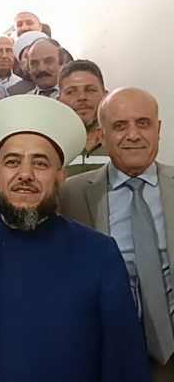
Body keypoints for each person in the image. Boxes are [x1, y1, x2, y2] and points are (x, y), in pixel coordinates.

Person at [0, 95, 150, 381]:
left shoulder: (98, 254)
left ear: (61, 177)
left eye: (40, 164)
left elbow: (123, 364)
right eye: (12, 162)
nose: (25, 174)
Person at [59, 87, 174, 380]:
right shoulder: (71, 195)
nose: (133, 135)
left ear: (158, 129)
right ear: (102, 134)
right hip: (109, 358)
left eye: (143, 123)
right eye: (120, 126)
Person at [58, 59, 109, 176]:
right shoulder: (51, 148)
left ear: (106, 96)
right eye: (71, 92)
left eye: (90, 90)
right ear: (59, 101)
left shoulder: (120, 143)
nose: (81, 97)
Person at [7, 30, 48, 95]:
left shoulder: (63, 85)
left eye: (37, 54)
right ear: (21, 64)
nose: (32, 60)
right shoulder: (14, 92)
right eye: (27, 56)